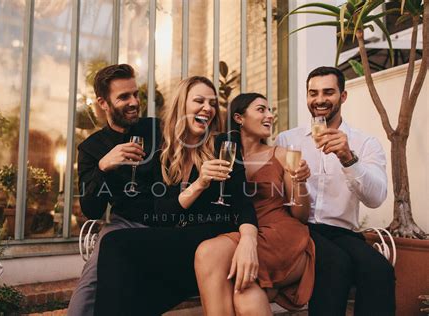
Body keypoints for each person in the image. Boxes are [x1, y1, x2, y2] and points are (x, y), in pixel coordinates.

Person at [94, 76, 260, 315]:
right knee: (135, 298)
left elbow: (243, 203)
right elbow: (163, 213)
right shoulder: (165, 152)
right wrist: (200, 183)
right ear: (182, 105)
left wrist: (248, 241)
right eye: (199, 101)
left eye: (212, 103)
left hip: (212, 236)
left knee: (113, 243)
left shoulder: (223, 144)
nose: (208, 108)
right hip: (178, 248)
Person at [275, 66, 395, 316]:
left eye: (328, 92)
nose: (319, 100)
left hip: (342, 232)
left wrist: (348, 158)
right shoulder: (287, 140)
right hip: (300, 228)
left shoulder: (365, 143)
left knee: (380, 270)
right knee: (335, 265)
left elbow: (376, 199)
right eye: (313, 93)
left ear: (343, 96)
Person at [194, 93, 315, 315]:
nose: (270, 115)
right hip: (243, 231)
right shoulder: (223, 153)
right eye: (261, 109)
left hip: (280, 235)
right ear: (239, 118)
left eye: (270, 110)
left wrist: (301, 182)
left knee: (209, 252)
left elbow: (301, 215)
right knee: (245, 297)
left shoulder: (285, 155)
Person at [67, 64, 161, 316]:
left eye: (135, 94)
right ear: (103, 102)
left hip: (167, 220)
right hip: (125, 222)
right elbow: (91, 210)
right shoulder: (91, 148)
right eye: (123, 97)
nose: (133, 102)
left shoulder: (156, 128)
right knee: (91, 280)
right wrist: (103, 166)